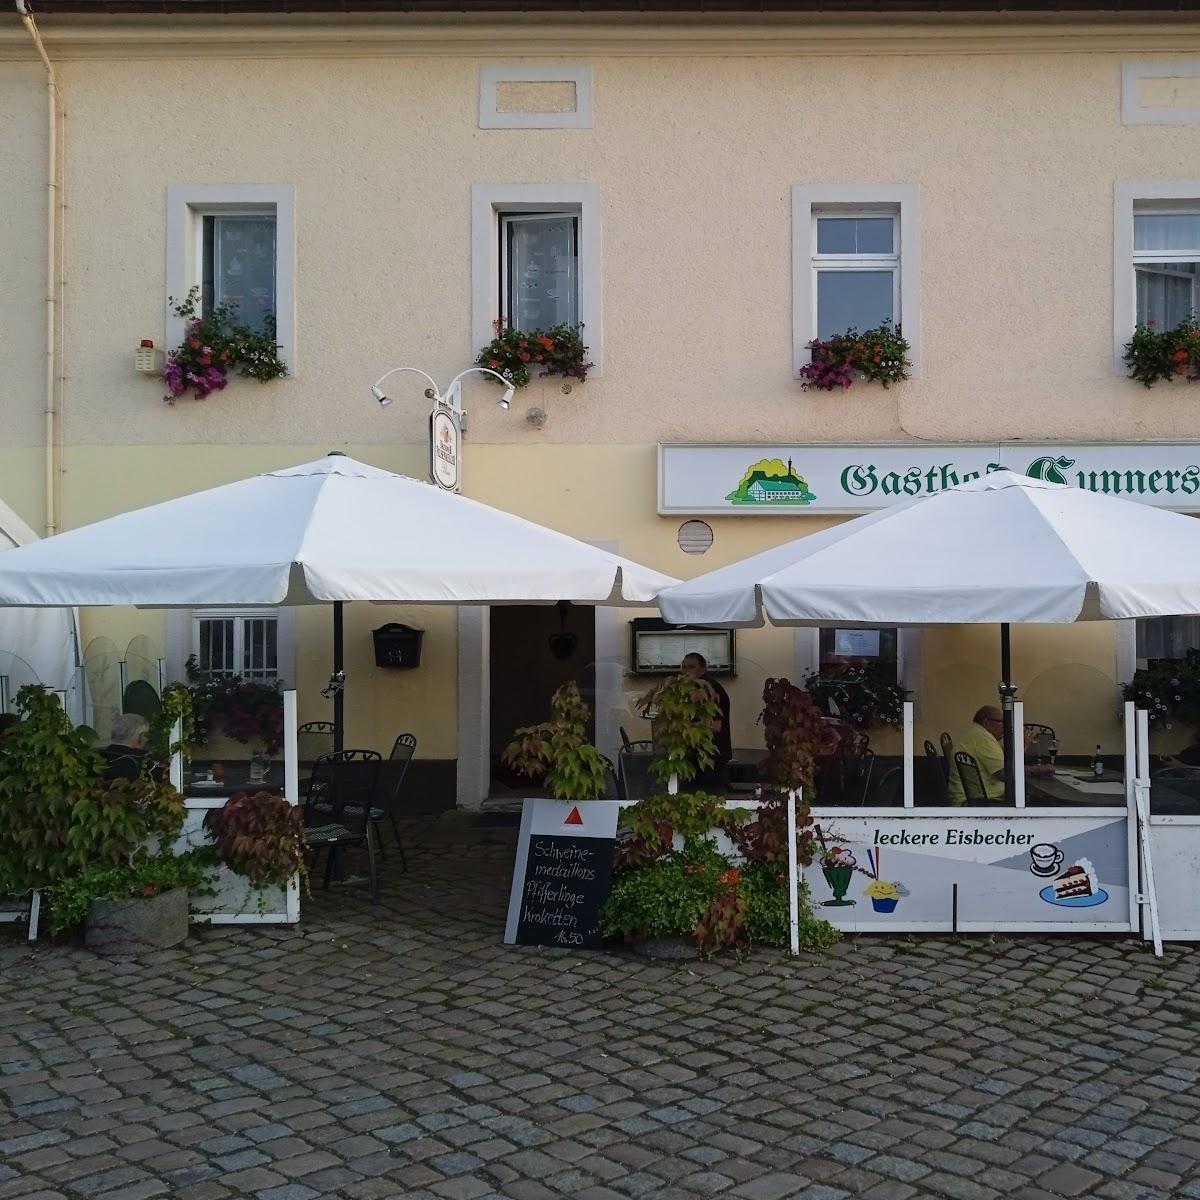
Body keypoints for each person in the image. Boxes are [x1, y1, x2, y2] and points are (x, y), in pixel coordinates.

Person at [945, 705, 1053, 805]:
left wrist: (1022, 747)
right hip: (981, 803)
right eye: (1001, 722)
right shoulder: (983, 738)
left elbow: (1005, 764)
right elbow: (1005, 774)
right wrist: (1039, 769)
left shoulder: (976, 733)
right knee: (1041, 802)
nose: (1005, 726)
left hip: (973, 799)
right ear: (986, 722)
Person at [681, 652, 732, 788]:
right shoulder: (692, 688)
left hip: (710, 757)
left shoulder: (708, 688)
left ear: (703, 669)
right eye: (684, 667)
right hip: (701, 756)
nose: (686, 671)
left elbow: (716, 725)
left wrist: (685, 728)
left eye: (691, 667)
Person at [100, 712, 150, 782]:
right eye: (145, 735)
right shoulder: (143, 763)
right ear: (139, 737)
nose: (146, 739)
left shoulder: (99, 757)